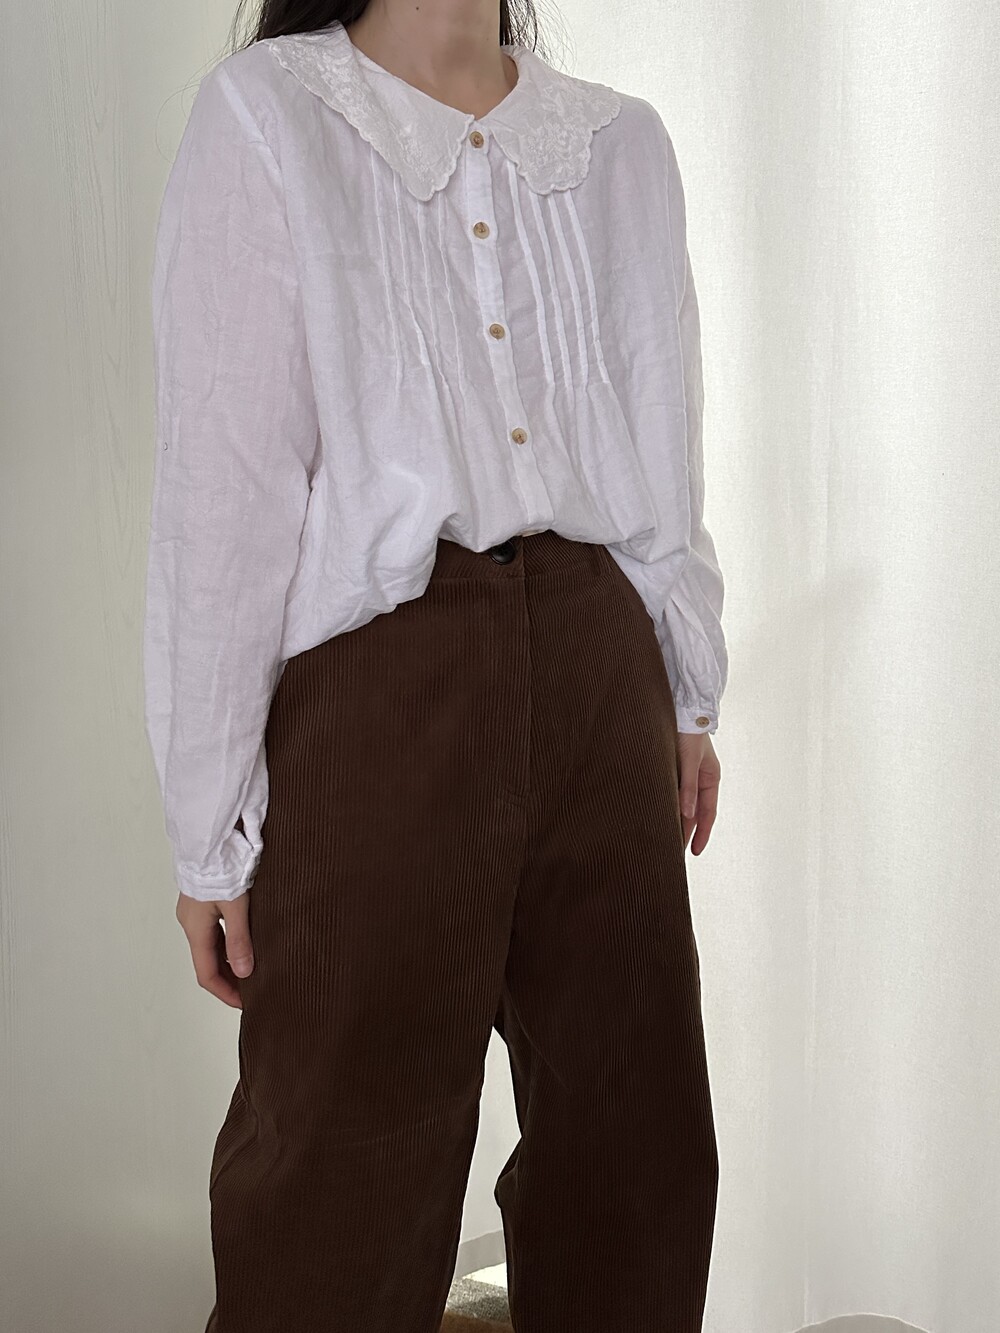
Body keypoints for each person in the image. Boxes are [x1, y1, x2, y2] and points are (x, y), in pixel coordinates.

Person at [142, 1, 729, 1329]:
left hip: (598, 654)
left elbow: (661, 426)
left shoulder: (616, 143)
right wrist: (209, 829)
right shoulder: (274, 115)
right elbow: (226, 491)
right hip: (382, 677)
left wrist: (686, 691)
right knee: (340, 1162)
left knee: (635, 1141)